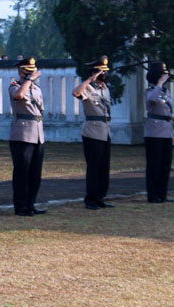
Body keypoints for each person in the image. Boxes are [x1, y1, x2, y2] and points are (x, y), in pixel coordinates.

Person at [72, 55, 114, 210]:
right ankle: (90, 199)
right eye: (102, 72)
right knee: (94, 166)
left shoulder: (105, 89)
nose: (105, 75)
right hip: (92, 131)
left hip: (105, 130)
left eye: (106, 72)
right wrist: (90, 80)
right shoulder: (88, 88)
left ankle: (100, 197)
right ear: (96, 73)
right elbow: (76, 93)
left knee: (104, 167)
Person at [8, 57, 47, 216]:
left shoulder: (36, 89)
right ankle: (21, 206)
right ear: (20, 71)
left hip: (37, 133)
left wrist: (31, 81)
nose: (31, 74)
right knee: (22, 172)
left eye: (32, 71)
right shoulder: (15, 86)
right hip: (22, 134)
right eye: (27, 72)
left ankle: (31, 204)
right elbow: (19, 96)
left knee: (35, 173)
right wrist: (28, 80)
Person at [144, 61, 174, 203]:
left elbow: (169, 113)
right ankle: (153, 195)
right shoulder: (151, 91)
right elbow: (152, 101)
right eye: (162, 75)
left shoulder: (165, 92)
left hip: (166, 131)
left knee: (165, 164)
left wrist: (171, 133)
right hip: (154, 132)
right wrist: (159, 84)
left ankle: (163, 194)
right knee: (154, 165)